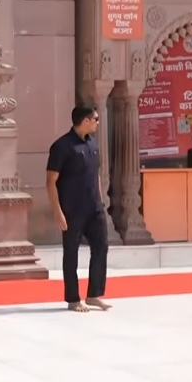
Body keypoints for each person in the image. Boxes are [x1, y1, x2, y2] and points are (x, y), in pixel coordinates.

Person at [46, 105, 111, 313]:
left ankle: (94, 295)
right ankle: (73, 299)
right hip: (72, 210)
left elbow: (96, 174)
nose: (98, 123)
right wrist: (57, 212)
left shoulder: (92, 144)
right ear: (85, 121)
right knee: (71, 253)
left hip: (94, 208)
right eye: (96, 119)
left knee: (101, 247)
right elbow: (50, 181)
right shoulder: (62, 146)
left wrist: (100, 200)